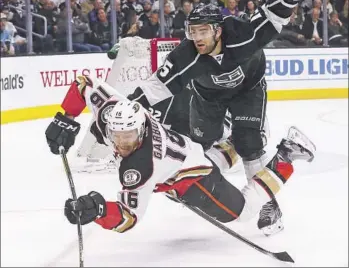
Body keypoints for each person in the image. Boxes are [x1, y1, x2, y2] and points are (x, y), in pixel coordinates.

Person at [124, 0, 310, 235]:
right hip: (209, 97)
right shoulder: (186, 55)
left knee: (250, 145)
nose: (197, 38)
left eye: (204, 31)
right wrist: (124, 108)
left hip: (248, 89)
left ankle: (268, 206)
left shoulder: (242, 34)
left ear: (218, 31)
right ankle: (228, 147)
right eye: (193, 31)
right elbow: (156, 86)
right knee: (200, 148)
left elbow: (272, 15)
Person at [45, 75, 315, 234]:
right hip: (187, 152)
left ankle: (287, 154)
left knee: (242, 213)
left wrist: (99, 209)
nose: (121, 143)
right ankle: (241, 140)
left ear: (140, 130)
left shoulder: (141, 167)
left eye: (128, 137)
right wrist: (65, 118)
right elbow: (84, 83)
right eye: (116, 136)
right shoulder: (111, 111)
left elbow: (129, 217)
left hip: (193, 176)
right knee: (206, 160)